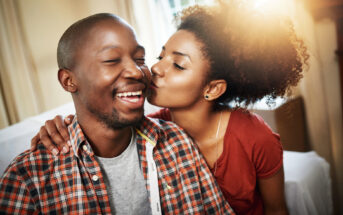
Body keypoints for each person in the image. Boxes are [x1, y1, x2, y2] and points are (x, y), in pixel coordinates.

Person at [31, 1, 309, 214]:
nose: (153, 68)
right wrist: (60, 126)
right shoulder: (152, 129)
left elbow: (276, 210)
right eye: (160, 55)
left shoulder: (254, 137)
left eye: (177, 65)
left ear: (212, 89)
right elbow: (102, 119)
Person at [0, 13, 234, 214]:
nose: (137, 71)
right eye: (112, 60)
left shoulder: (177, 143)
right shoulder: (27, 178)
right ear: (69, 80)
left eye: (140, 59)